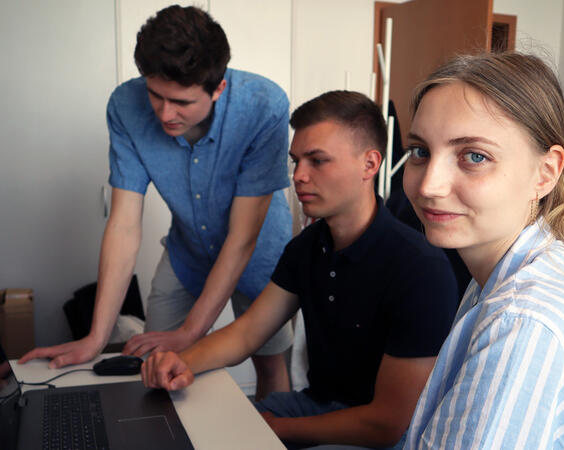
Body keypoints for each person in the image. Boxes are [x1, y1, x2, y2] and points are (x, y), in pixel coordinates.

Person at [141, 91, 460, 449]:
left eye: (317, 161)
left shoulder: (419, 267)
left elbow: (387, 423)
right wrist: (182, 363)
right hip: (315, 405)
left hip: (384, 434)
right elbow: (248, 332)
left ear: (370, 164)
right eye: (296, 161)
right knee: (195, 429)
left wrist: (278, 428)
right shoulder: (307, 247)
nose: (299, 176)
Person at [19, 5, 294, 400]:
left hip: (259, 254)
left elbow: (242, 239)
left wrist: (191, 333)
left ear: (218, 88)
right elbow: (125, 224)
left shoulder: (263, 107)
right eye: (156, 95)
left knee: (269, 362)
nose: (166, 114)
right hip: (187, 252)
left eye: (182, 102)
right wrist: (96, 338)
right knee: (155, 361)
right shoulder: (125, 106)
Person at [402, 52, 564, 449]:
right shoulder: (505, 272)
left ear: (546, 172)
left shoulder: (522, 322)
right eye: (420, 151)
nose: (429, 185)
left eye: (474, 156)